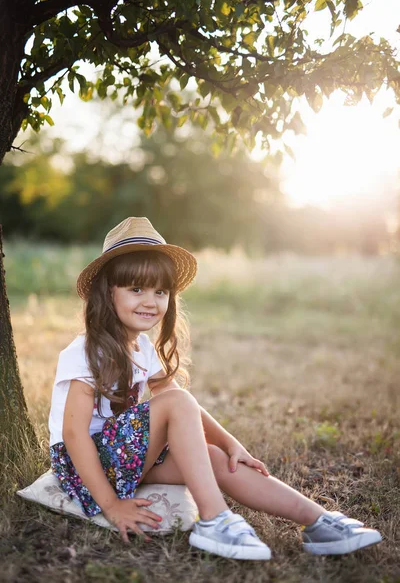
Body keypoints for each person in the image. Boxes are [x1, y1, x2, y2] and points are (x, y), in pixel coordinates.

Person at [48, 217, 382, 561]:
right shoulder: (87, 351)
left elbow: (180, 400)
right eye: (136, 289)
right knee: (174, 401)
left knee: (216, 458)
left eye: (160, 291)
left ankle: (319, 522)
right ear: (107, 292)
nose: (151, 301)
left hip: (121, 458)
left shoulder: (142, 348)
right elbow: (74, 435)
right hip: (84, 466)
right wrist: (112, 505)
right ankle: (215, 519)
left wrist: (229, 442)